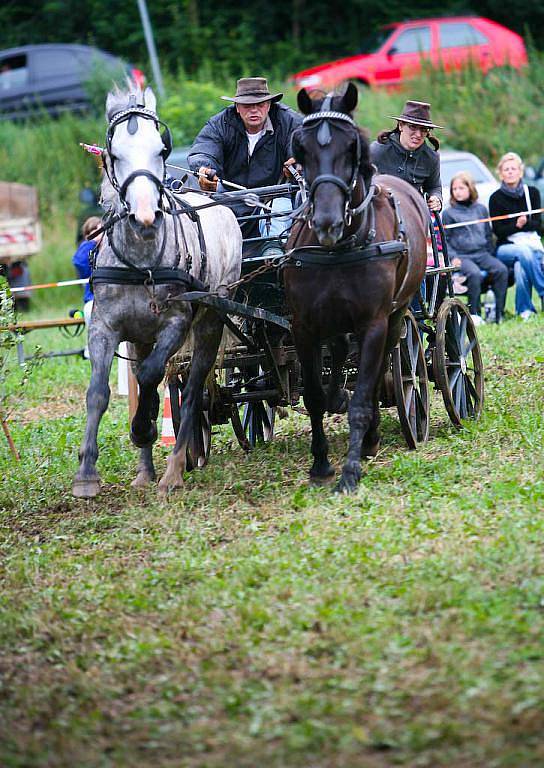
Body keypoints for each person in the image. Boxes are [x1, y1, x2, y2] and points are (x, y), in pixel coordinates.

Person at [188, 77, 302, 256]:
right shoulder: (220, 124)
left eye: (260, 104)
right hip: (229, 198)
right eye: (247, 105)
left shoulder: (289, 121)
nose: (254, 110)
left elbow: (302, 144)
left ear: (270, 104)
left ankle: (274, 250)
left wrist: (298, 161)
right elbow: (203, 151)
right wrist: (204, 169)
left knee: (285, 203)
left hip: (277, 198)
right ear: (237, 107)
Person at [442, 172, 508, 325]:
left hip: (482, 253)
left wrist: (490, 254)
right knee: (474, 274)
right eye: (454, 189)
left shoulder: (481, 209)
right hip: (462, 256)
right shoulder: (448, 213)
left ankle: (499, 313)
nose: (457, 191)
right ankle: (474, 314)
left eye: (461, 188)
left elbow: (487, 234)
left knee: (502, 270)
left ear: (470, 188)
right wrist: (453, 257)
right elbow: (445, 240)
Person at [489, 152, 544, 320]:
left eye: (514, 168)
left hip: (531, 244)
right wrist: (516, 225)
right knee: (523, 253)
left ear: (520, 171)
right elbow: (498, 231)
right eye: (506, 169)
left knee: (521, 268)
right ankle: (542, 291)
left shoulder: (532, 192)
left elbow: (538, 225)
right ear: (501, 173)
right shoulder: (495, 198)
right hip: (505, 249)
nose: (510, 172)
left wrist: (525, 223)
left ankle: (524, 310)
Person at [370, 100, 443, 212]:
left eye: (424, 130)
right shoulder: (377, 151)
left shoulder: (431, 158)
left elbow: (434, 187)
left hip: (414, 215)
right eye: (413, 127)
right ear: (400, 126)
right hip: (380, 213)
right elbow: (361, 181)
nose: (418, 134)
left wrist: (436, 199)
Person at [72, 216, 101, 358]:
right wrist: (92, 243)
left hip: (113, 296)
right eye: (94, 229)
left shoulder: (111, 246)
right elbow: (78, 262)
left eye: (100, 228)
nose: (99, 231)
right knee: (89, 312)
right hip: (93, 297)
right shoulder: (87, 248)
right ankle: (91, 348)